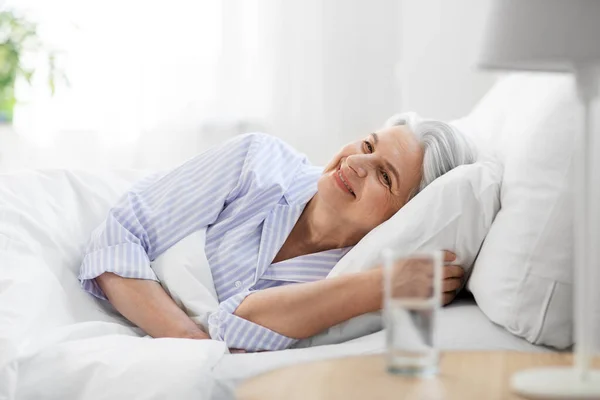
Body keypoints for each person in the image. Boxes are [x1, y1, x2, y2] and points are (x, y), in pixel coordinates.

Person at [78, 112, 476, 352]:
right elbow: (117, 238)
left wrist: (382, 286)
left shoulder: (351, 275)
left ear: (407, 215)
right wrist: (187, 341)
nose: (356, 162)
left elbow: (236, 326)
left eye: (384, 176)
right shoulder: (258, 161)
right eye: (368, 144)